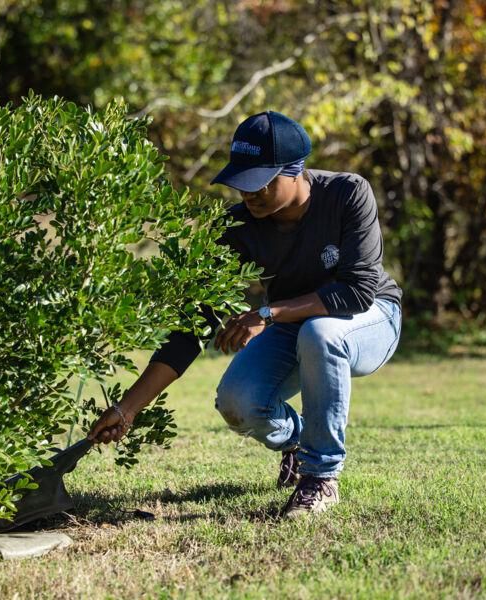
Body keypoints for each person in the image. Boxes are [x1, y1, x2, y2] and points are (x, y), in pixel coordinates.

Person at [87, 111, 402, 518]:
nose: (248, 194)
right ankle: (300, 440)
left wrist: (267, 314)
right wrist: (127, 409)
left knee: (322, 334)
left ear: (295, 171)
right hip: (293, 323)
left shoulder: (347, 193)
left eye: (260, 183)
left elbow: (357, 291)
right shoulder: (237, 226)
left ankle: (320, 478)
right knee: (238, 402)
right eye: (241, 183)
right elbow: (194, 325)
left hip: (371, 316)